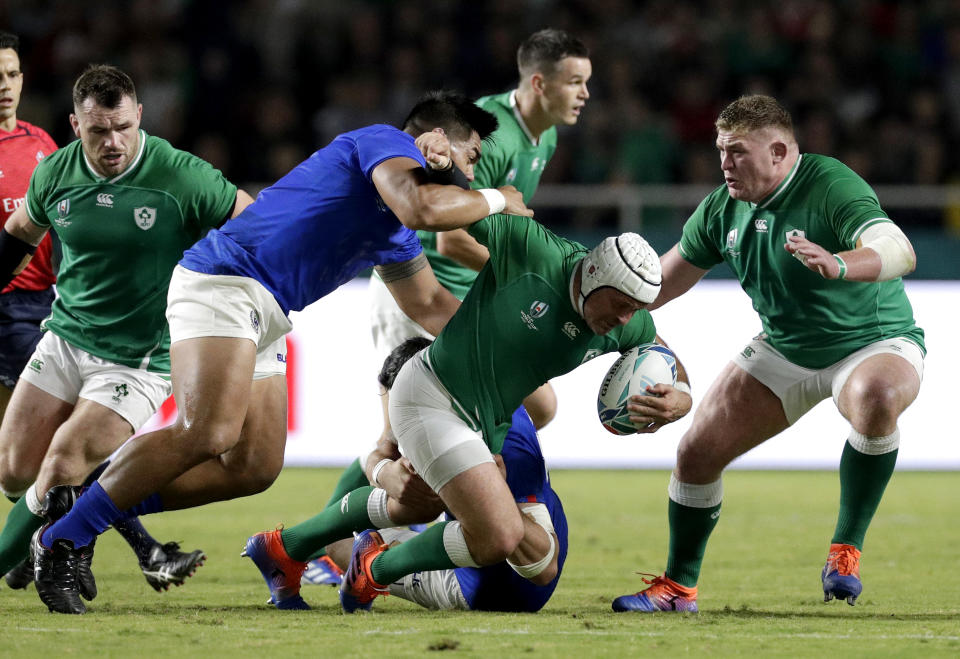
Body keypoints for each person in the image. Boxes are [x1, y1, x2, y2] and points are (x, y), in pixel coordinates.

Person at [31, 91, 532, 614]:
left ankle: (89, 503)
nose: (472, 177)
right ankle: (61, 540)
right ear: (437, 140)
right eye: (472, 157)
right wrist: (499, 199)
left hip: (265, 308)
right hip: (225, 279)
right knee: (208, 431)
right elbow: (424, 205)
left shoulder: (397, 228)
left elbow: (429, 303)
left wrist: (503, 344)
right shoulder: (383, 142)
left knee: (253, 467)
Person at [299, 29, 593, 584]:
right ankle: (327, 543)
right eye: (575, 82)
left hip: (459, 305)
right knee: (402, 435)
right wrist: (527, 278)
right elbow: (450, 236)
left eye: (586, 83)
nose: (583, 94)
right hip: (424, 295)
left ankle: (369, 527)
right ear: (538, 82)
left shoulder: (543, 137)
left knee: (536, 406)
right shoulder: (494, 135)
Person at [611, 94, 925, 613]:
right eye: (721, 152)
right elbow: (662, 282)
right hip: (784, 349)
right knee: (695, 455)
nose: (725, 165)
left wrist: (840, 263)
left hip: (872, 341)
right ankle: (678, 589)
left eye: (737, 152)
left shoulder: (829, 184)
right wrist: (602, 306)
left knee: (876, 395)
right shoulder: (722, 207)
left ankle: (845, 551)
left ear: (779, 151)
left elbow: (900, 250)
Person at [335, 216, 692, 612]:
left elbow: (662, 352)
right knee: (480, 529)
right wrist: (490, 198)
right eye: (623, 305)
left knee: (537, 563)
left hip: (491, 421)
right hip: (436, 396)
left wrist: (683, 397)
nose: (626, 319)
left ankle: (352, 551)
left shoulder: (624, 323)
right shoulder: (532, 248)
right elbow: (441, 217)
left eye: (636, 310)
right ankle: (354, 551)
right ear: (593, 274)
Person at [0, 63, 219, 601]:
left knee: (65, 461)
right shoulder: (55, 171)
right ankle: (73, 539)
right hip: (66, 336)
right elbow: (19, 234)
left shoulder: (180, 176)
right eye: (98, 131)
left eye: (123, 127)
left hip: (139, 358)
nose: (113, 142)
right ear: (77, 125)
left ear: (139, 116)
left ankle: (56, 555)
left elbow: (251, 223)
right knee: (12, 471)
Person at [244, 337, 568, 612]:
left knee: (399, 512)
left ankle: (371, 566)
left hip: (500, 582)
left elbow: (541, 570)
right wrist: (384, 472)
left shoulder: (509, 445)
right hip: (486, 548)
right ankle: (289, 546)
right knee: (411, 493)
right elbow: (381, 449)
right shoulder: (443, 396)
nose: (398, 436)